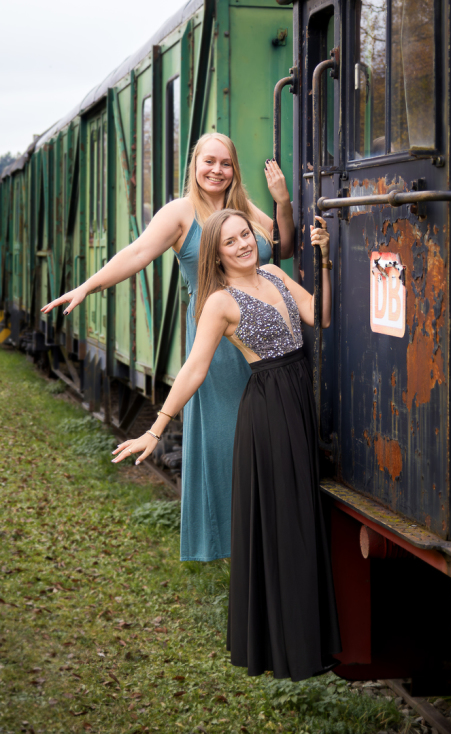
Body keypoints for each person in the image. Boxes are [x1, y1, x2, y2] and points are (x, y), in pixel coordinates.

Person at [41, 133, 294, 563]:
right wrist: (87, 286)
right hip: (217, 343)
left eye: (226, 163)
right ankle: (237, 546)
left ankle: (272, 539)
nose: (217, 170)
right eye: (209, 161)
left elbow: (283, 247)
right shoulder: (180, 212)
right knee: (227, 442)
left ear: (234, 169)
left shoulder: (245, 210)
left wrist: (282, 203)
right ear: (194, 164)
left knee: (269, 440)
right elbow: (138, 252)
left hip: (264, 335)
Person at [112, 209, 341, 682]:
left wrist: (324, 260)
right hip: (269, 414)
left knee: (304, 516)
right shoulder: (219, 302)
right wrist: (156, 430)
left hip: (298, 403)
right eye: (230, 242)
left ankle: (312, 643)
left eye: (245, 235)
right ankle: (290, 651)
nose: (242, 245)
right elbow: (193, 369)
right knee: (286, 524)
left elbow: (319, 315)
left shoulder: (275, 274)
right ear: (216, 255)